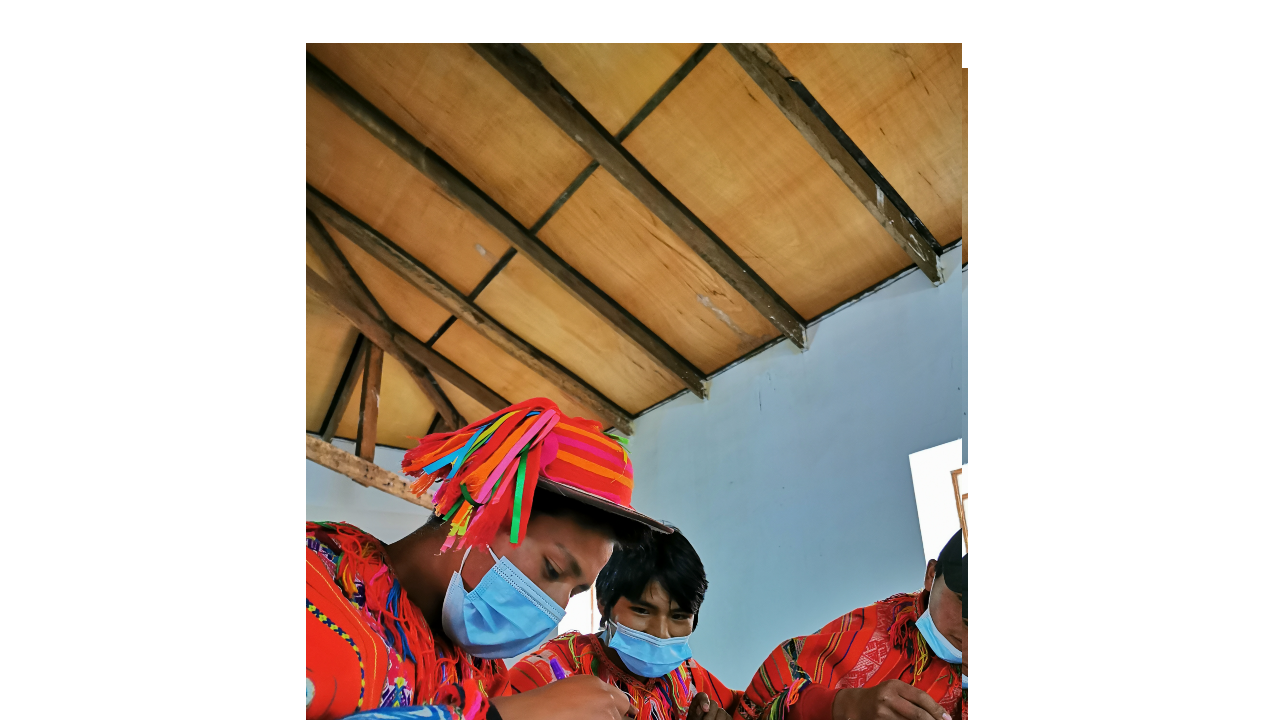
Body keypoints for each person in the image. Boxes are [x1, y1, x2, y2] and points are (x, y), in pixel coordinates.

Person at [306, 398, 671, 720]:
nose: (557, 608)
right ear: (484, 509)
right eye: (553, 569)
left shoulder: (482, 674)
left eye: (575, 592)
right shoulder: (319, 576)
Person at [508, 526, 741, 720]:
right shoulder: (548, 672)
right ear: (603, 603)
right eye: (642, 611)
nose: (661, 633)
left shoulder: (688, 677)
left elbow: (749, 707)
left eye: (679, 616)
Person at [736, 530, 968, 720]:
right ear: (931, 575)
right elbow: (767, 700)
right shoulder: (875, 630)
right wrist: (844, 705)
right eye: (961, 600)